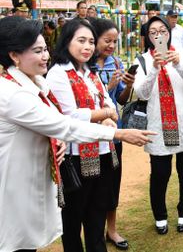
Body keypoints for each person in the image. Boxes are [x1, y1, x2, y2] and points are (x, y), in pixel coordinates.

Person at [0, 17, 152, 252]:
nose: (45, 56)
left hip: (89, 155)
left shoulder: (42, 81)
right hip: (27, 178)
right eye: (38, 51)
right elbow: (66, 122)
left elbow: (57, 121)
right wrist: (118, 131)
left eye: (91, 41)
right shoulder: (22, 90)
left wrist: (61, 136)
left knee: (96, 214)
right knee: (64, 224)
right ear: (14, 55)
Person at [46, 19, 141, 252]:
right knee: (73, 220)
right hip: (75, 158)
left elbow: (109, 103)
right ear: (66, 41)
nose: (87, 47)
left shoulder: (90, 73)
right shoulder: (58, 74)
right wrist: (106, 114)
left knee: (97, 215)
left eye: (90, 41)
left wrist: (106, 114)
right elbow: (70, 116)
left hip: (103, 153)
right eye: (81, 41)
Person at [133, 15, 183, 235]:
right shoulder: (142, 60)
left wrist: (178, 63)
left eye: (162, 30)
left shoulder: (182, 53)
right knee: (160, 174)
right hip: (158, 125)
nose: (158, 35)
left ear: (169, 31)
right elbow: (141, 93)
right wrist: (154, 68)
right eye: (153, 32)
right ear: (147, 36)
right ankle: (160, 216)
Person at [90, 18, 136, 250]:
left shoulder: (115, 62)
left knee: (112, 180)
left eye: (114, 41)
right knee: (93, 185)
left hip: (113, 134)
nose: (110, 46)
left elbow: (121, 100)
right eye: (106, 40)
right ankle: (94, 233)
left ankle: (112, 230)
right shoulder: (85, 67)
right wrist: (106, 89)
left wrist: (127, 85)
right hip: (90, 136)